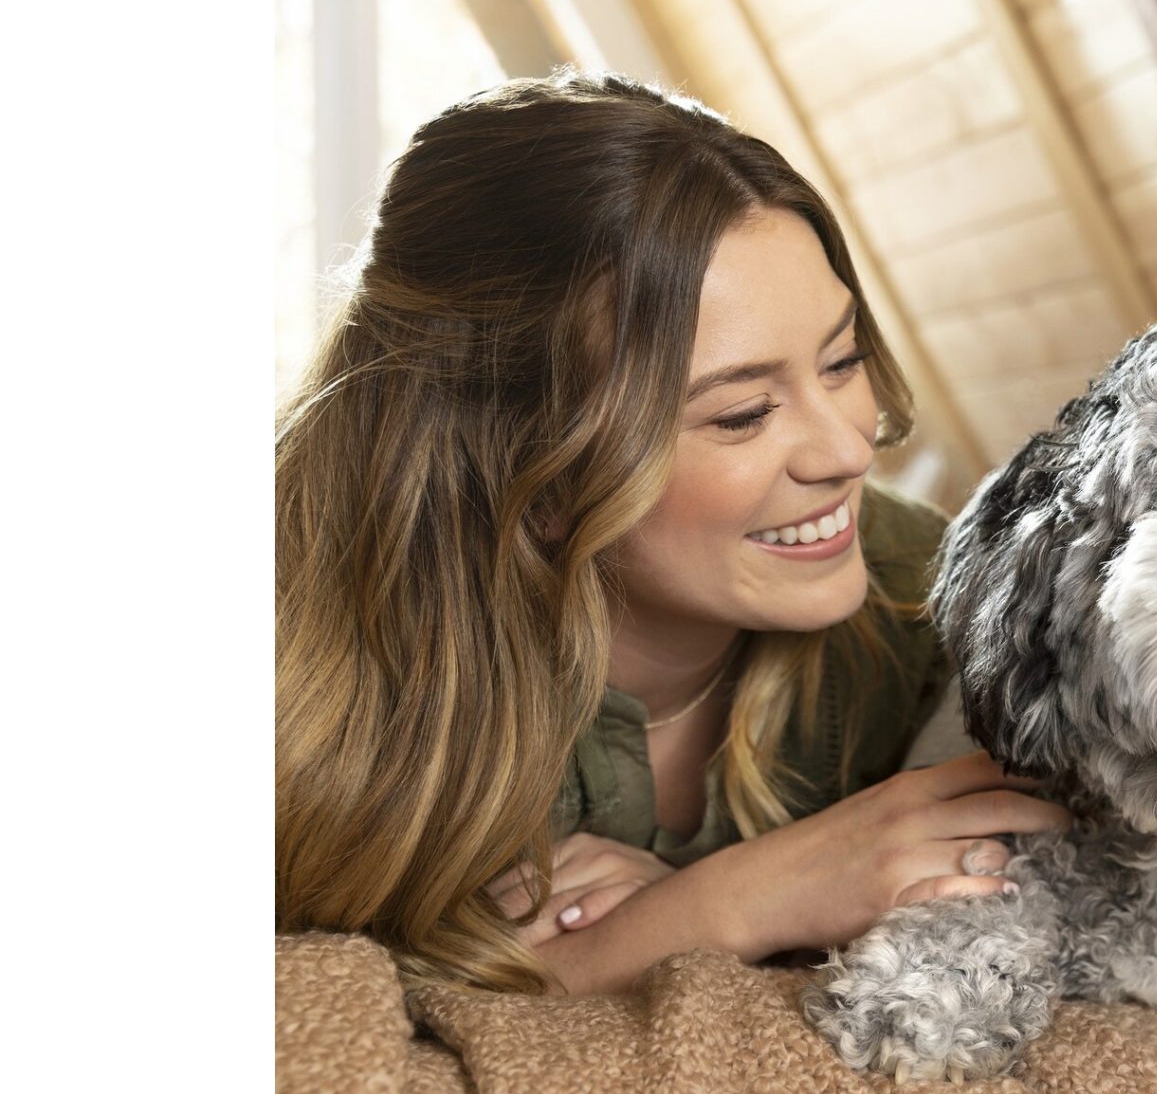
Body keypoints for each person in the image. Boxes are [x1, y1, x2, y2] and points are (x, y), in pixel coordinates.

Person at [276, 71, 1066, 996]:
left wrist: (674, 916)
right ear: (517, 463)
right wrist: (736, 902)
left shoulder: (938, 604)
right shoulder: (292, 691)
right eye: (741, 414)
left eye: (842, 359)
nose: (848, 447)